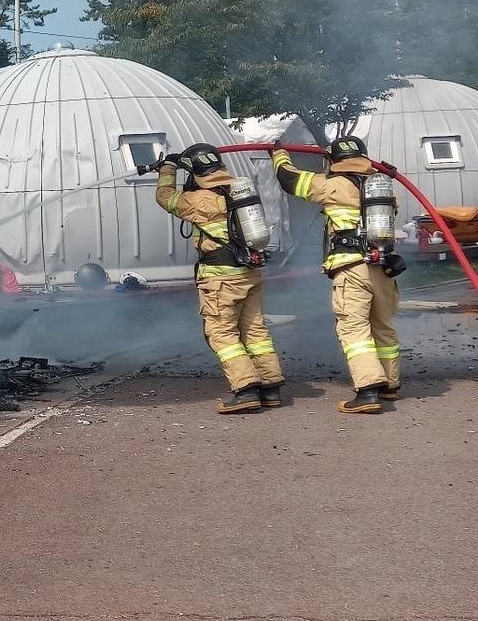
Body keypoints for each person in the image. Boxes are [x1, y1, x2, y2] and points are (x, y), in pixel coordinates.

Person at [271, 135, 403, 414]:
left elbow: (288, 179)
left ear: (332, 161)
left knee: (354, 329)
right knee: (382, 325)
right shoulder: (382, 186)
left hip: (352, 268)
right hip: (383, 267)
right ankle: (389, 384)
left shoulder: (330, 185)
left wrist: (279, 153)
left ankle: (367, 390)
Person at [153, 143, 284, 414]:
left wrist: (167, 168)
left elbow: (165, 196)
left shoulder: (196, 200)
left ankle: (246, 389)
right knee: (255, 331)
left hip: (220, 278)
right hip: (250, 272)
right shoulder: (239, 190)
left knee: (221, 332)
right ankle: (270, 387)